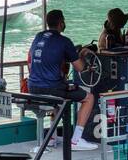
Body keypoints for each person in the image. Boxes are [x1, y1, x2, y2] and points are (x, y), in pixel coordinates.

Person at [27, 10, 98, 151]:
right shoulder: (64, 41)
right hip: (52, 88)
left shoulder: (38, 36)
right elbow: (79, 67)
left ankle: (52, 138)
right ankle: (76, 140)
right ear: (61, 23)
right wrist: (82, 54)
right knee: (89, 98)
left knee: (58, 101)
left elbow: (31, 60)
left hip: (32, 86)